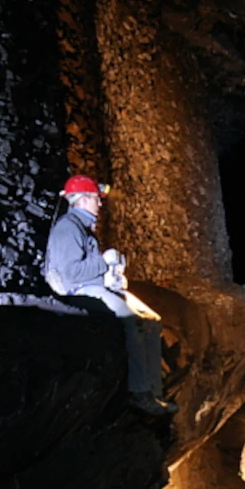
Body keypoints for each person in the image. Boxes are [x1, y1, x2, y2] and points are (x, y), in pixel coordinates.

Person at [43, 175, 176, 417]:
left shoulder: (82, 227)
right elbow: (72, 273)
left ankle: (156, 392)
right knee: (133, 321)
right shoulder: (68, 228)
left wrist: (112, 275)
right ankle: (139, 392)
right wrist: (104, 263)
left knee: (152, 320)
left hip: (96, 286)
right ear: (83, 199)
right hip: (79, 291)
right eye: (96, 198)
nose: (100, 204)